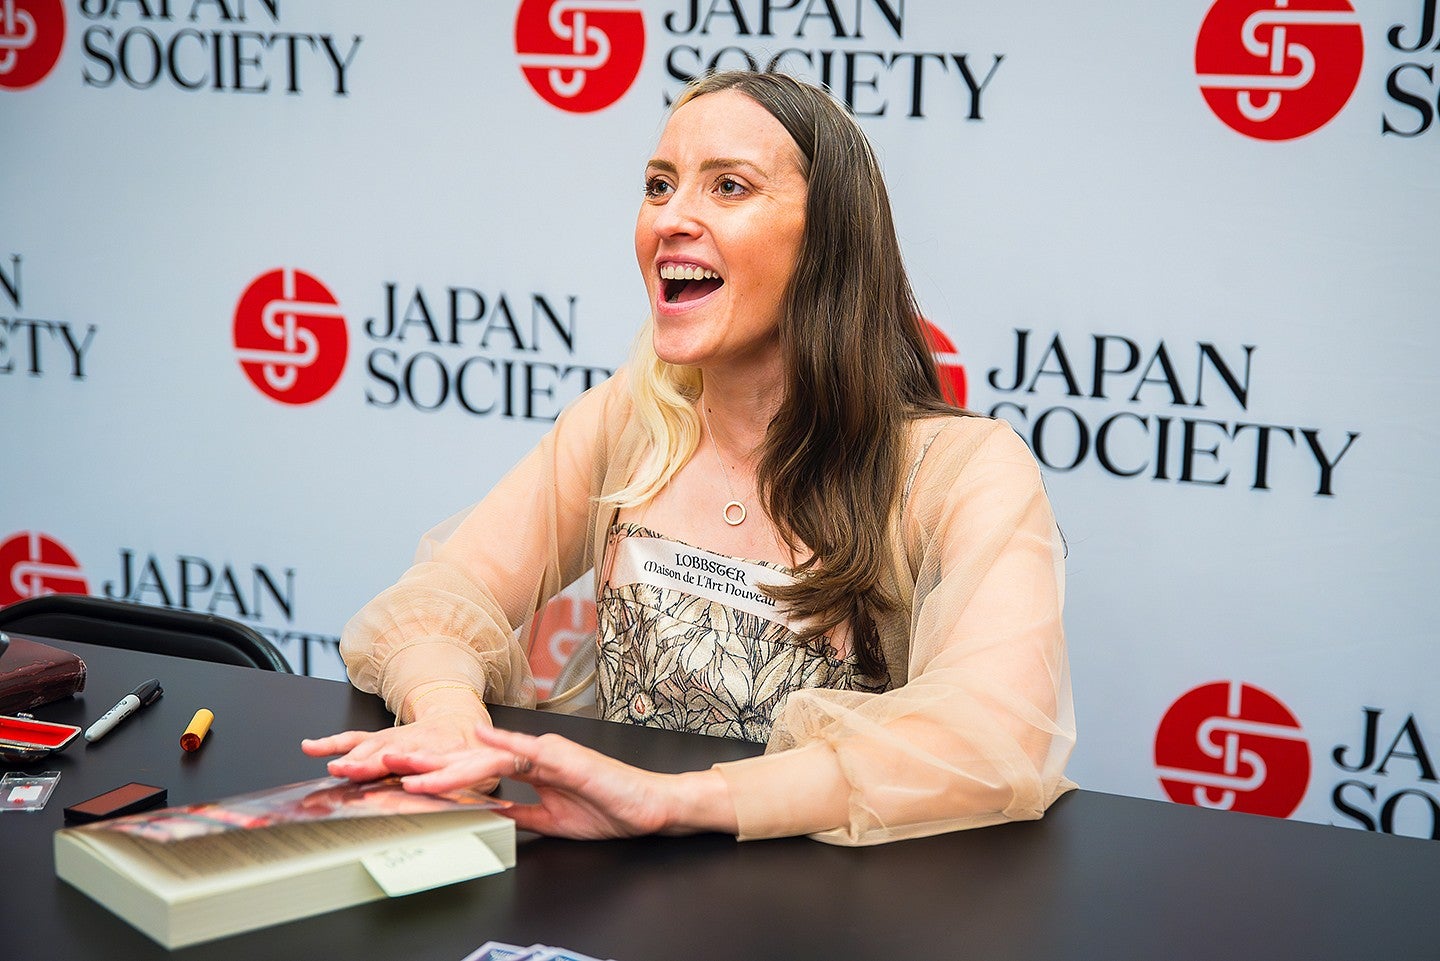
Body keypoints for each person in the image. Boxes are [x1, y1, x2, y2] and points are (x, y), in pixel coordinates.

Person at [302, 70, 1075, 846]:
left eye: (729, 187)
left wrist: (672, 800)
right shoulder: (630, 418)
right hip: (612, 882)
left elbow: (994, 731)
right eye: (659, 185)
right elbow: (443, 592)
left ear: (829, 240)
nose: (671, 218)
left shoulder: (965, 468)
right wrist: (449, 717)